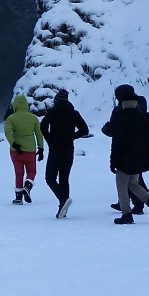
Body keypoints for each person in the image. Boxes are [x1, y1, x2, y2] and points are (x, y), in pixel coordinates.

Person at [102, 84, 149, 224]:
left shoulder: (120, 116)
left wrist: (112, 161)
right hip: (139, 156)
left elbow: (116, 141)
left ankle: (126, 214)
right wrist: (146, 157)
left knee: (122, 186)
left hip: (123, 157)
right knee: (134, 183)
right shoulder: (145, 116)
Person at [39, 89, 90, 218]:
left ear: (56, 100)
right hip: (69, 150)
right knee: (64, 179)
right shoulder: (73, 113)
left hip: (55, 150)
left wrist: (50, 139)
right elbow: (85, 130)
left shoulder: (52, 112)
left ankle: (63, 199)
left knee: (50, 178)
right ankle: (63, 209)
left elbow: (43, 126)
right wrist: (72, 136)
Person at [3, 93, 43, 204]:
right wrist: (41, 148)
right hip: (30, 149)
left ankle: (18, 197)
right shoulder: (33, 118)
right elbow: (39, 134)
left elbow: (7, 132)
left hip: (15, 151)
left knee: (19, 173)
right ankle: (28, 186)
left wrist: (13, 143)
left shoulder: (11, 118)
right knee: (31, 171)